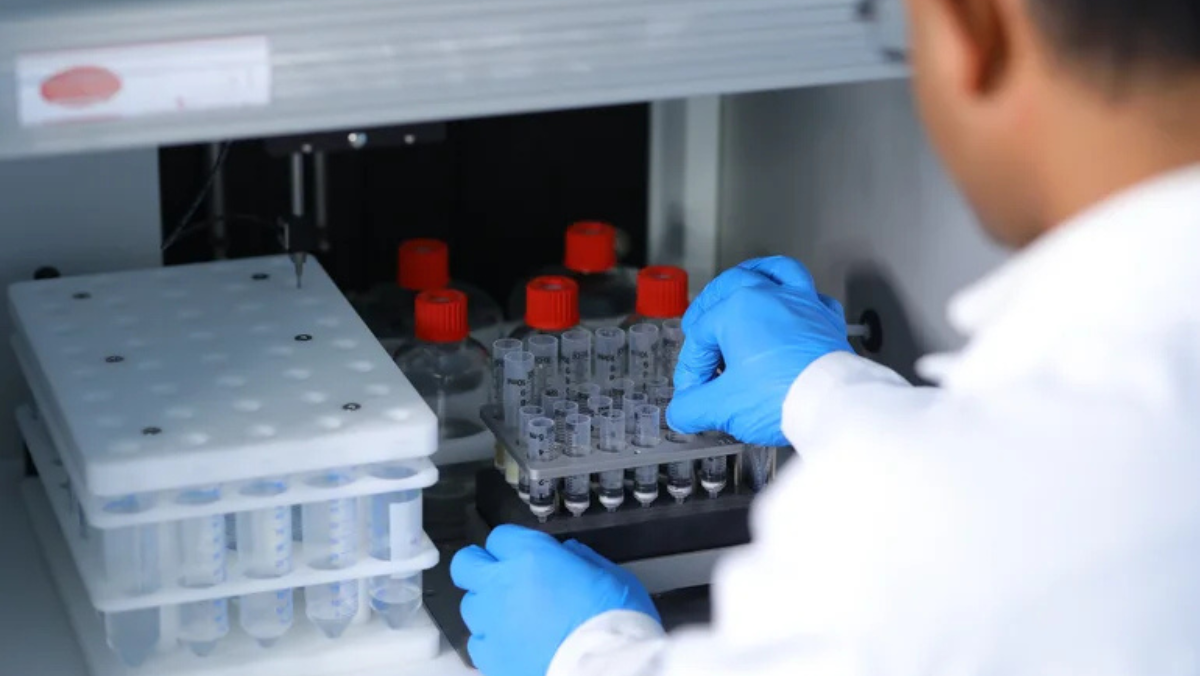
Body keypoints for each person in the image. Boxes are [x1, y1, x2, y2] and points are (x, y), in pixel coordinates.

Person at [451, 0, 1200, 674]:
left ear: (973, 29)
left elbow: (986, 507)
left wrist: (584, 654)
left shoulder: (927, 530)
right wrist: (831, 390)